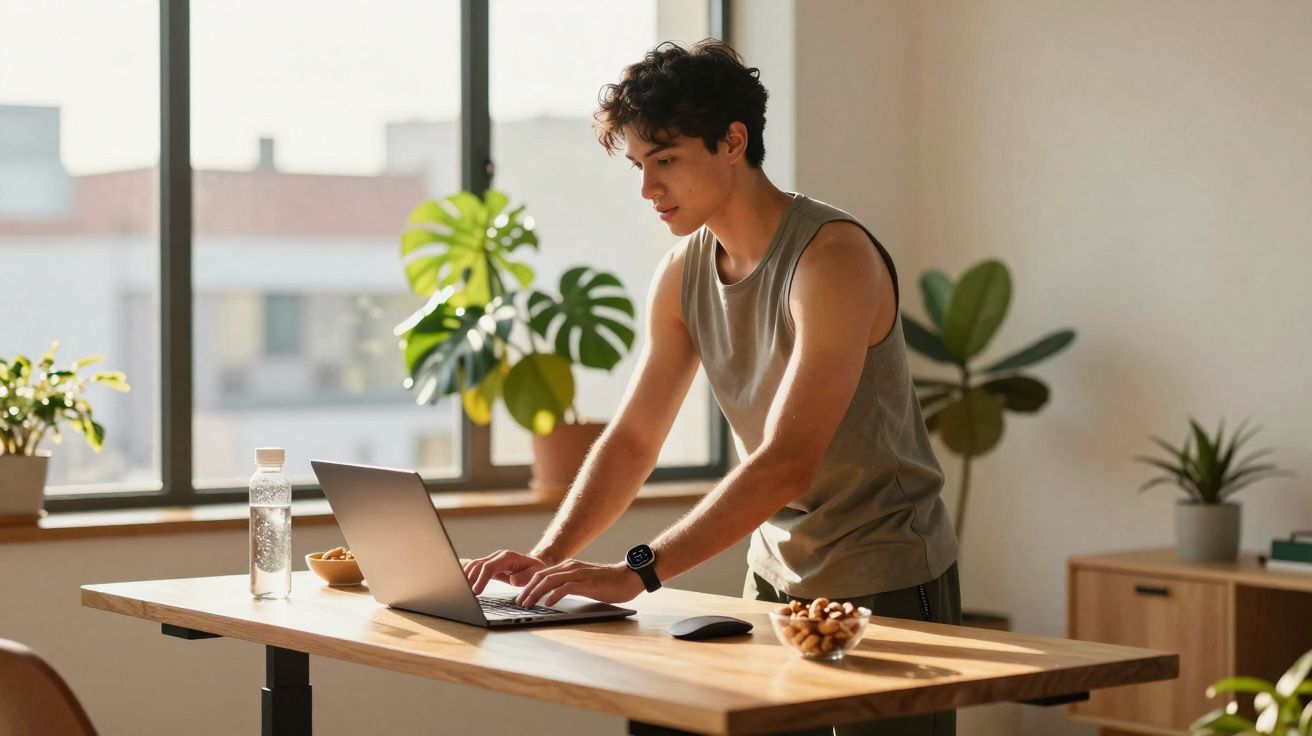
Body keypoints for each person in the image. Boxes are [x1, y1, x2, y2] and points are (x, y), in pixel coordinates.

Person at [463, 39, 960, 736]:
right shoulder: (682, 273)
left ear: (733, 141)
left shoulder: (833, 258)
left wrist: (636, 570)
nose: (647, 189)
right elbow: (634, 437)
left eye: (664, 160)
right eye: (639, 166)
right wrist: (547, 559)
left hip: (887, 572)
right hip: (773, 574)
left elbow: (789, 459)